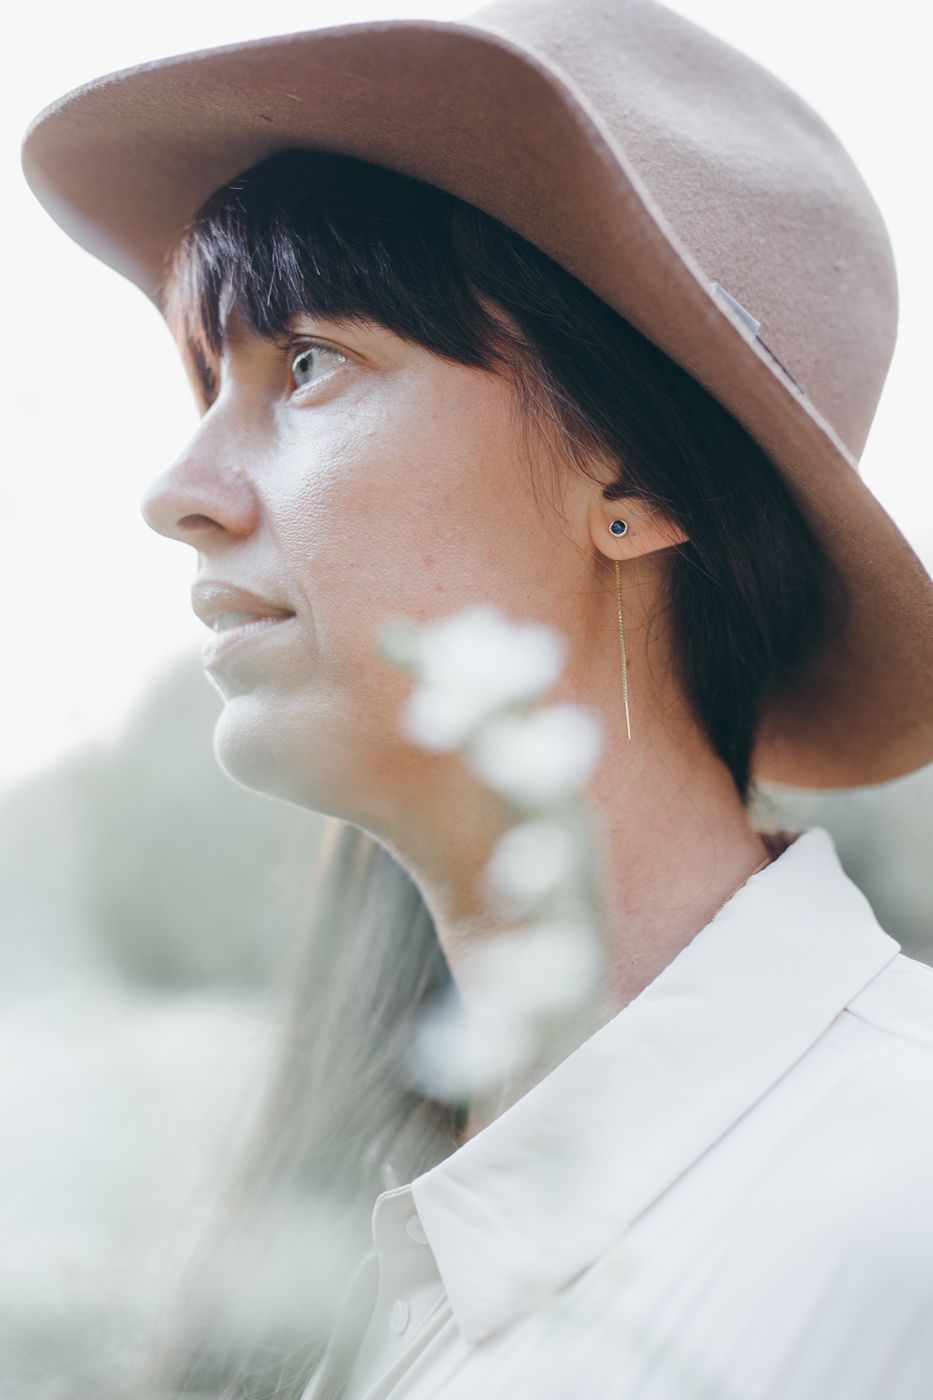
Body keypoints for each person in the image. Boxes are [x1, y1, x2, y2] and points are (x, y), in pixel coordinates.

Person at [20, 2, 933, 1398]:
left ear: (639, 482)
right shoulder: (373, 1263)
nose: (178, 494)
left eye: (306, 362)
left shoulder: (896, 1201)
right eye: (210, 382)